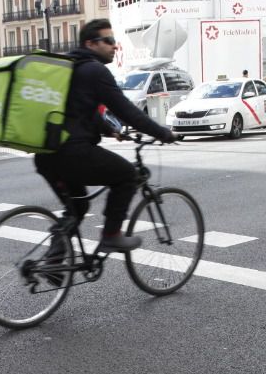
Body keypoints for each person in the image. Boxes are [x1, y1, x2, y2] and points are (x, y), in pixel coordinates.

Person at [34, 19, 176, 253]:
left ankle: (52, 262)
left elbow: (75, 111)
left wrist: (109, 129)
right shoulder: (95, 70)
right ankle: (111, 235)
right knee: (127, 176)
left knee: (77, 208)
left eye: (114, 41)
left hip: (47, 155)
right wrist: (163, 133)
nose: (115, 46)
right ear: (90, 43)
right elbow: (127, 110)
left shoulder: (69, 68)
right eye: (108, 41)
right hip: (73, 153)